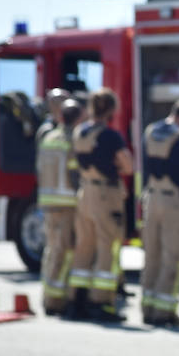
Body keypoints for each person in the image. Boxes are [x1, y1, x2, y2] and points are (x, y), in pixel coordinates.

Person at [68, 88, 134, 322]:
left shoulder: (79, 132)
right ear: (111, 110)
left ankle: (77, 301)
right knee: (108, 246)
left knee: (84, 247)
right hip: (106, 194)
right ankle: (101, 302)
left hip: (85, 192)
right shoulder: (110, 136)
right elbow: (128, 166)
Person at [139, 99, 179, 326]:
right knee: (173, 256)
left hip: (152, 198)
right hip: (175, 201)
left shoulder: (150, 131)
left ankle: (147, 308)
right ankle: (164, 312)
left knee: (152, 256)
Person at [35, 98, 83, 315]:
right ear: (78, 119)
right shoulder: (71, 139)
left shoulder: (48, 137)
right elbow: (74, 173)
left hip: (48, 202)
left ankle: (49, 295)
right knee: (65, 252)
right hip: (67, 203)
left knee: (52, 250)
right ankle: (56, 300)